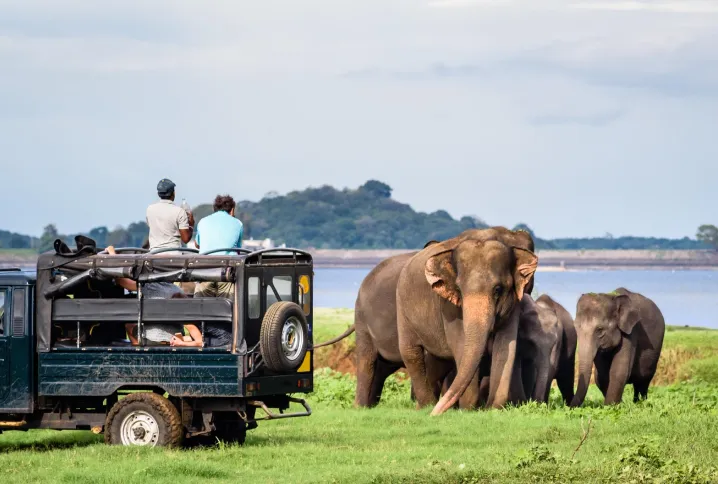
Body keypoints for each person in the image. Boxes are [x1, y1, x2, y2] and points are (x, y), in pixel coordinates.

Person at [194, 194, 243, 299]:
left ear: (214, 209)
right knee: (228, 308)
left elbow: (197, 244)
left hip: (204, 270)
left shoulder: (203, 221)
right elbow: (237, 250)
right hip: (226, 272)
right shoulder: (237, 223)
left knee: (201, 308)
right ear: (232, 210)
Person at [146, 178, 194, 252]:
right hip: (174, 254)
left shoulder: (149, 209)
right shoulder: (180, 211)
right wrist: (191, 225)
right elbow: (185, 239)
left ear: (158, 194)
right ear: (173, 193)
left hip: (154, 253)